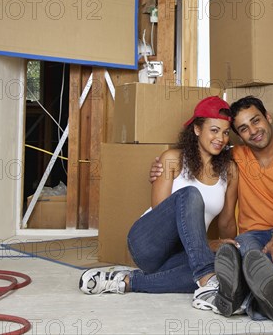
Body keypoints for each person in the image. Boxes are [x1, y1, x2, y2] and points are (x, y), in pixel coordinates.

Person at [150, 96, 273, 326]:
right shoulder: (234, 158)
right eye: (243, 128)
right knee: (247, 249)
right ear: (239, 136)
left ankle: (241, 292)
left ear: (268, 118)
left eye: (256, 121)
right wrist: (160, 169)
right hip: (251, 242)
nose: (253, 131)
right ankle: (258, 299)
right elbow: (202, 150)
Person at [79, 96, 239, 314]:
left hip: (185, 256)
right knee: (190, 195)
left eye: (225, 132)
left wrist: (229, 249)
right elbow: (161, 211)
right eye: (214, 130)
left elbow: (227, 221)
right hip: (148, 243)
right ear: (197, 130)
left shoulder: (228, 170)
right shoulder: (173, 159)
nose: (220, 138)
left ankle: (125, 281)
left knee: (227, 263)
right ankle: (206, 280)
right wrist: (204, 244)